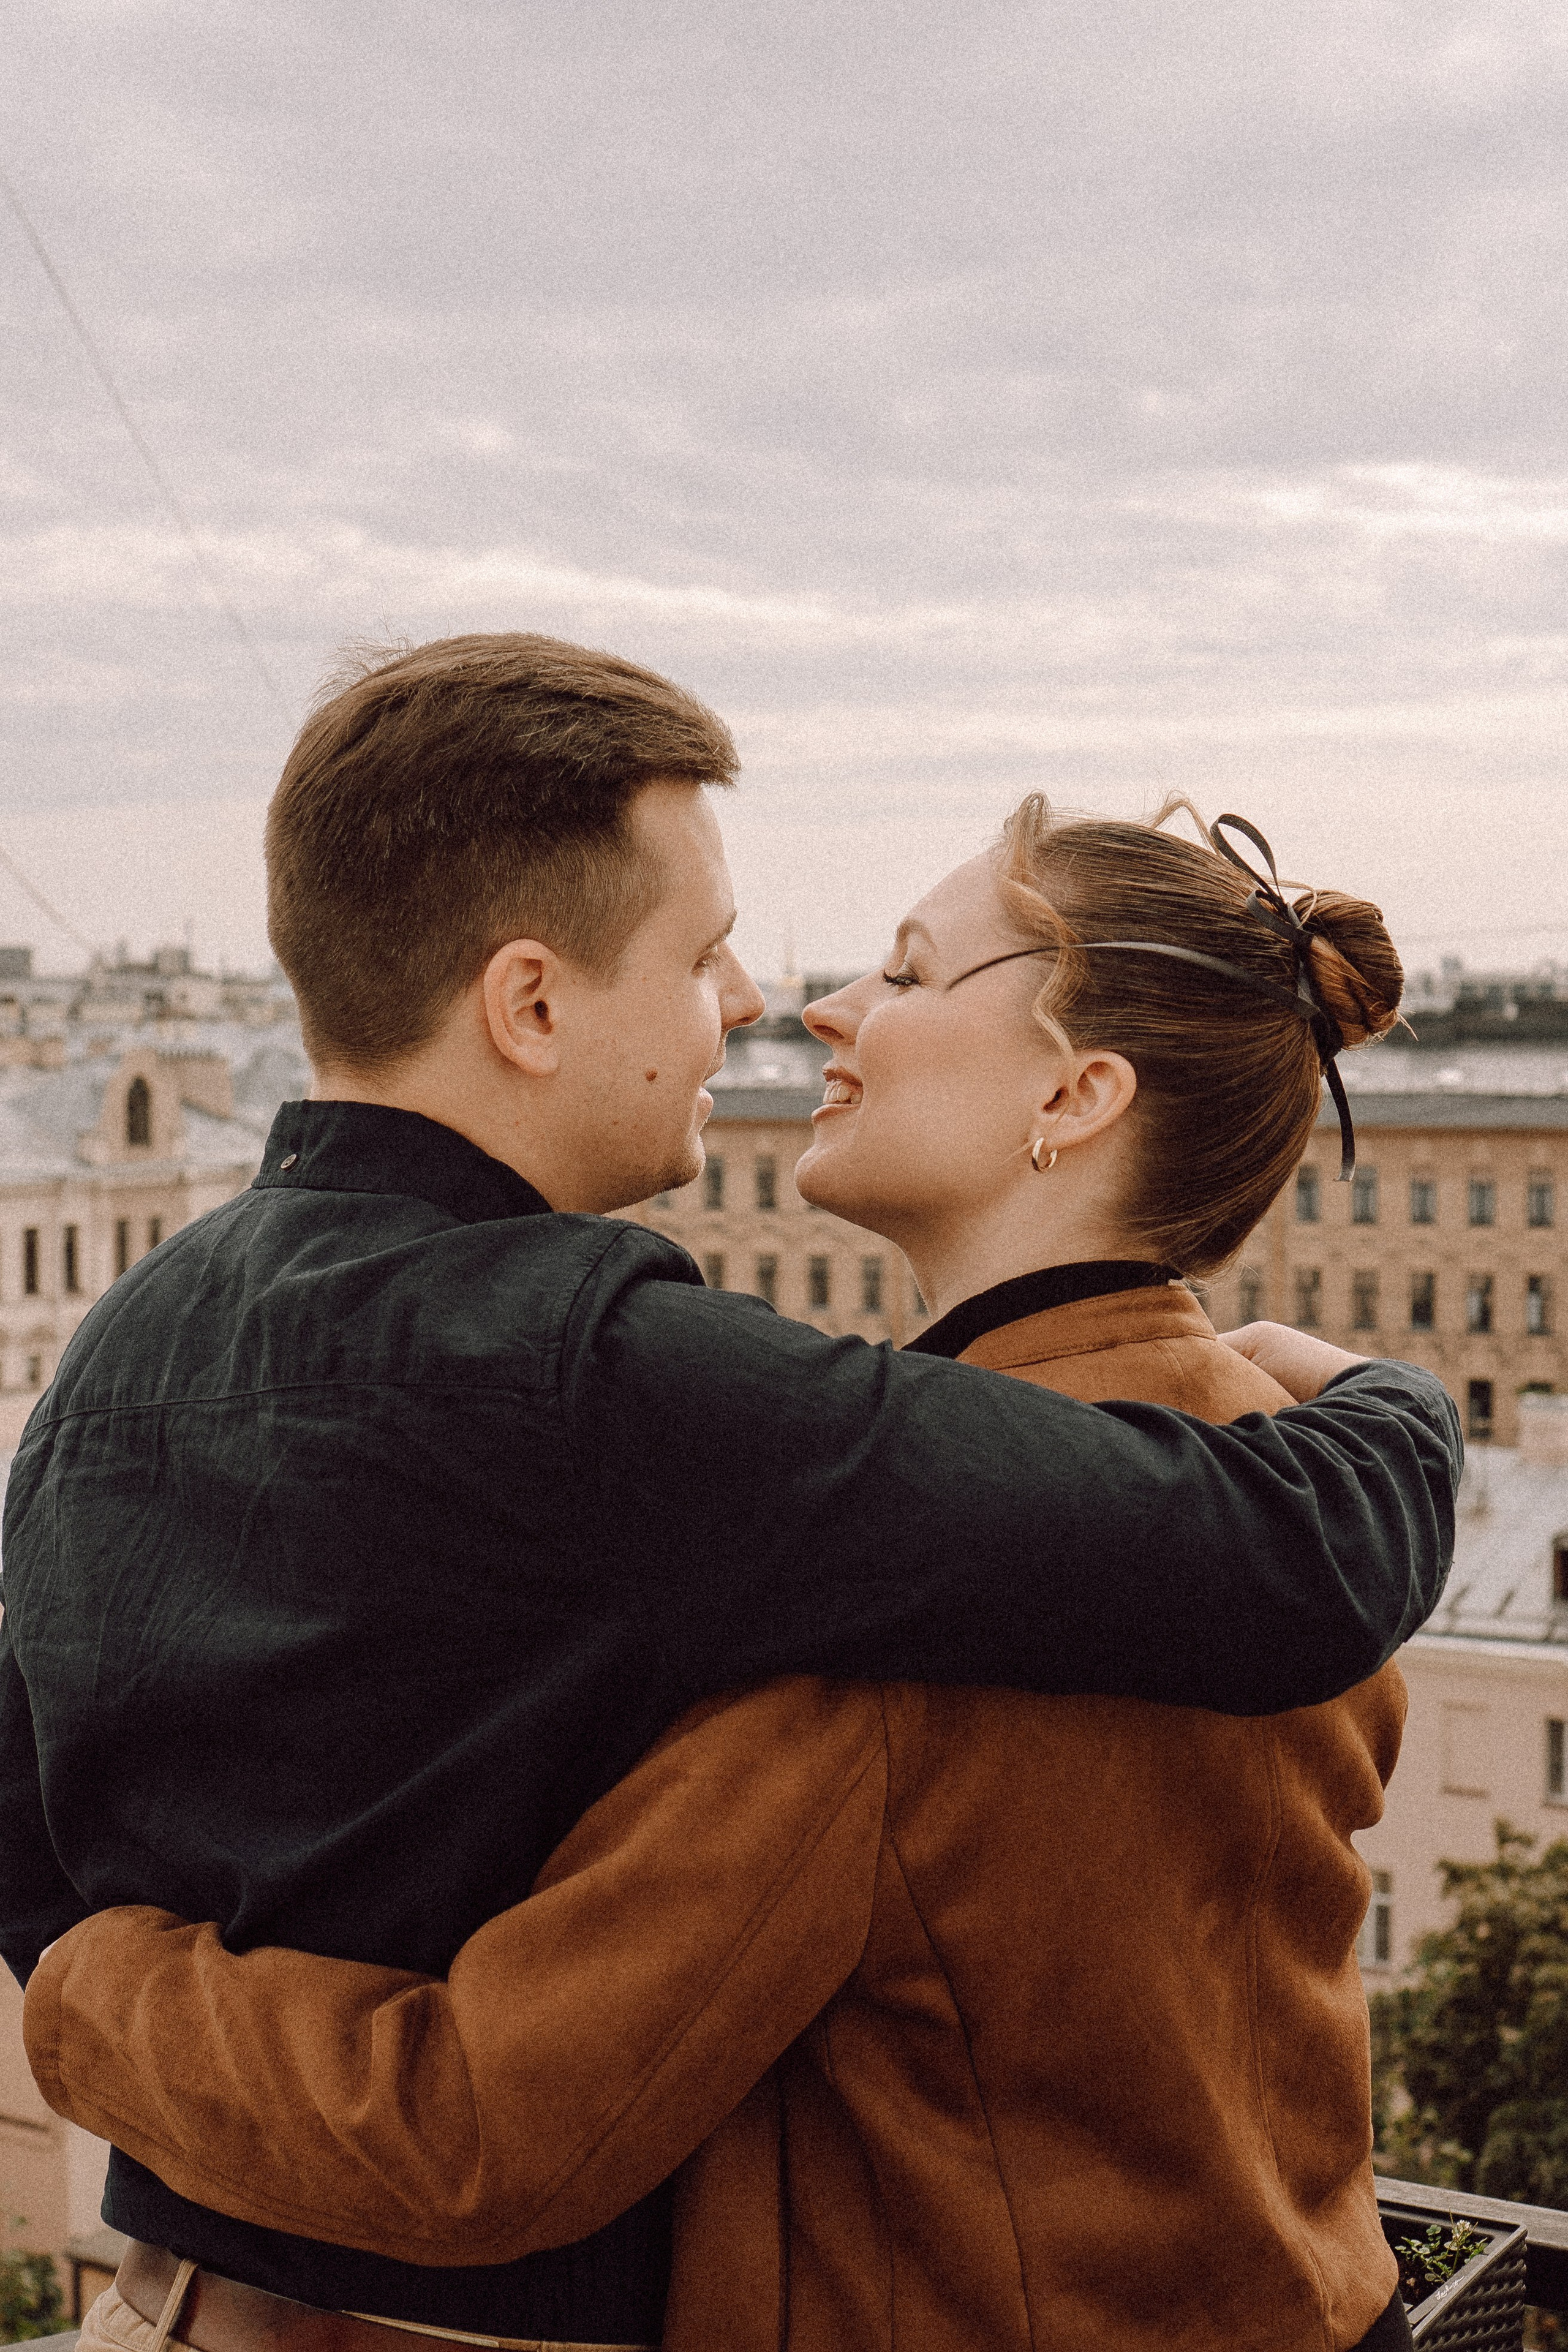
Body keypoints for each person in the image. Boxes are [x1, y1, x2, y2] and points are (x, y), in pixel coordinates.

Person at [6, 638, 1453, 2352]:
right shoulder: (669, 1399)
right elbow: (1291, 1559)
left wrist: (87, 1976)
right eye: (707, 956)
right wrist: (1387, 1407)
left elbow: (53, 1797)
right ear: (533, 1004)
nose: (781, 1001)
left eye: (901, 973)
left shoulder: (126, 1338)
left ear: (1080, 1095)